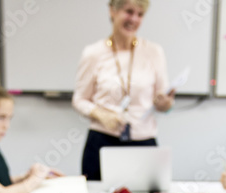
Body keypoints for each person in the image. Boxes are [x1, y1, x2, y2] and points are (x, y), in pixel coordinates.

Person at [72, 0, 175, 180]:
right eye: (128, 11)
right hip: (103, 140)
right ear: (113, 11)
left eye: (140, 14)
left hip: (144, 142)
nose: (134, 19)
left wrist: (166, 104)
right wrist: (99, 113)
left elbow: (164, 102)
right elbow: (79, 99)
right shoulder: (93, 53)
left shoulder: (154, 52)